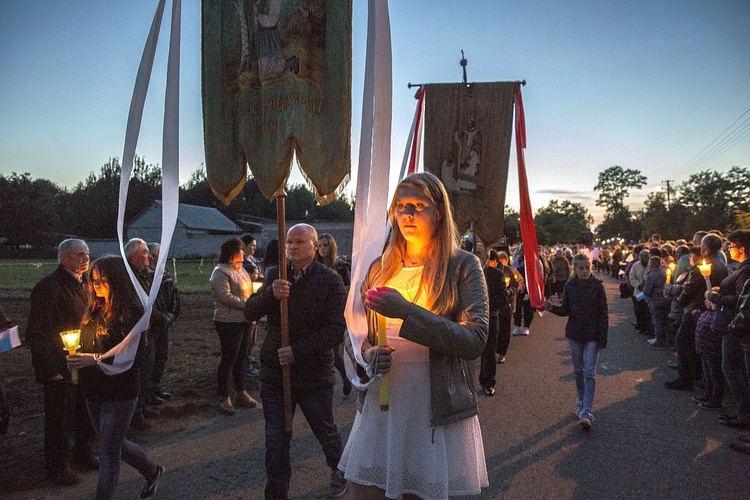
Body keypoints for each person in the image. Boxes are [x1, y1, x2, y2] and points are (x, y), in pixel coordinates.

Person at [339, 172, 489, 499]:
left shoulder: (463, 266)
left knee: (418, 491)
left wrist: (407, 312)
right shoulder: (380, 267)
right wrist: (366, 354)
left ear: (438, 213)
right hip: (383, 401)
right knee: (365, 489)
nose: (407, 214)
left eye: (418, 205)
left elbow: (475, 340)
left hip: (432, 402)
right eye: (401, 205)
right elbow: (354, 332)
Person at [245, 223, 348, 499]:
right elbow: (250, 311)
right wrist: (271, 294)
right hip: (276, 373)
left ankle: (341, 469)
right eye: (289, 242)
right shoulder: (275, 276)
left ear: (315, 246)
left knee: (325, 431)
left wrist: (298, 351)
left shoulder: (330, 281)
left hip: (313, 374)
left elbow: (335, 329)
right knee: (276, 441)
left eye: (300, 242)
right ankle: (276, 493)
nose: (292, 247)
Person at [66, 256, 165, 499]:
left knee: (108, 454)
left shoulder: (132, 315)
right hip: (93, 389)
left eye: (103, 279)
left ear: (118, 280)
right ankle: (152, 472)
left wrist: (94, 359)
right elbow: (88, 342)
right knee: (113, 444)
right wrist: (74, 354)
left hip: (119, 391)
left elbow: (133, 357)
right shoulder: (94, 308)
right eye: (94, 279)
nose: (97, 284)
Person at [25, 238, 96, 485]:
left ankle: (82, 453)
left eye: (87, 254)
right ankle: (58, 467)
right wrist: (49, 369)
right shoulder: (50, 287)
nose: (86, 259)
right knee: (59, 417)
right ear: (63, 257)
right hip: (60, 363)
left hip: (84, 360)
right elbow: (37, 332)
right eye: (80, 255)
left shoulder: (87, 283)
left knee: (84, 410)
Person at [545, 254, 608, 430]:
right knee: (578, 371)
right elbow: (565, 310)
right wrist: (551, 308)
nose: (584, 271)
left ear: (591, 268)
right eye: (581, 268)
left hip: (593, 336)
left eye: (587, 268)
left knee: (590, 372)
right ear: (575, 268)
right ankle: (581, 400)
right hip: (574, 334)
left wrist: (603, 337)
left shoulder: (598, 287)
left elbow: (603, 314)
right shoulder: (569, 286)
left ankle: (587, 411)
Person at [666, 234, 728, 390]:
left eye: (702, 246)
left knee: (683, 341)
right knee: (699, 345)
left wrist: (679, 301)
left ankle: (685, 378)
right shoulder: (721, 263)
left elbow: (691, 289)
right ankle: (699, 376)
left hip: (696, 308)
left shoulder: (703, 266)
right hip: (708, 307)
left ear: (705, 247)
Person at [124, 238, 174, 430]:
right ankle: (135, 413)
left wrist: (167, 315)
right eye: (145, 252)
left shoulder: (146, 275)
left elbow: (158, 300)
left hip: (151, 328)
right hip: (138, 330)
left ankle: (142, 405)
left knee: (147, 368)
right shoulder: (130, 277)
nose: (150, 256)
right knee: (138, 371)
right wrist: (161, 318)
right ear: (133, 256)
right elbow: (142, 304)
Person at [210, 237, 258, 415]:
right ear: (232, 252)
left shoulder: (241, 270)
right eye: (241, 250)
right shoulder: (220, 272)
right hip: (228, 321)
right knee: (229, 357)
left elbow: (249, 288)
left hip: (244, 320)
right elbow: (224, 296)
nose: (244, 253)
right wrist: (247, 304)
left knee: (242, 357)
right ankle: (224, 396)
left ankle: (240, 391)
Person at [708, 230, 750, 432]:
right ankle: (742, 411)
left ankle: (744, 413)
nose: (729, 249)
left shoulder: (746, 271)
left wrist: (717, 297)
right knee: (733, 369)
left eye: (731, 246)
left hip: (736, 326)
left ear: (742, 249)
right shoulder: (741, 269)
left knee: (731, 368)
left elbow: (740, 301)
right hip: (733, 324)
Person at [315, 232, 353, 395]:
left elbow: (349, 289)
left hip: (337, 312)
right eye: (320, 245)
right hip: (318, 312)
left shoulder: (341, 267)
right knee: (322, 349)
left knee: (334, 350)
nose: (322, 248)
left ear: (332, 247)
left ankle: (345, 378)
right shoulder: (313, 267)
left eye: (326, 245)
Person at [145, 242, 180, 405]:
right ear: (151, 255)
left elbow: (174, 296)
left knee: (161, 355)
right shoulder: (146, 276)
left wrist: (172, 314)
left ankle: (156, 386)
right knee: (150, 358)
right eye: (159, 253)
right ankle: (147, 392)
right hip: (153, 324)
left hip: (165, 320)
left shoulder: (164, 274)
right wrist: (160, 317)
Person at [478, 245, 510, 396]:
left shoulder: (496, 274)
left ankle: (488, 381)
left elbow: (502, 297)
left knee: (489, 352)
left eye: (480, 252)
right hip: (470, 318)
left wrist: (486, 302)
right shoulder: (466, 271)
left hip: (490, 317)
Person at [643, 256, 672, 349]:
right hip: (667, 300)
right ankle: (669, 340)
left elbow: (647, 290)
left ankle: (659, 340)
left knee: (657, 321)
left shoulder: (651, 275)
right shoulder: (666, 272)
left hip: (656, 301)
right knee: (667, 321)